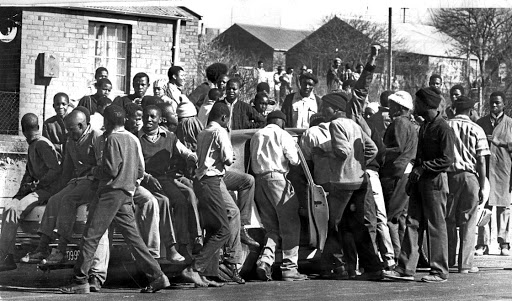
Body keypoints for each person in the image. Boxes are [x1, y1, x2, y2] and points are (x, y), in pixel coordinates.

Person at [59, 105, 170, 294]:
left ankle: (80, 281)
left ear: (108, 122)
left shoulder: (112, 139)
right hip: (127, 193)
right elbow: (140, 171)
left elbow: (110, 170)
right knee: (134, 239)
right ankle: (158, 276)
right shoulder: (133, 139)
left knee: (90, 236)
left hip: (110, 194)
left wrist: (95, 170)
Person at [384, 87, 455, 283]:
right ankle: (405, 268)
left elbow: (448, 159)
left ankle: (439, 270)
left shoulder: (442, 128)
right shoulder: (425, 126)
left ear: (426, 104)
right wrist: (415, 173)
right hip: (420, 180)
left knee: (435, 225)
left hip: (435, 182)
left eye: (418, 103)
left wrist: (423, 168)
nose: (414, 107)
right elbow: (419, 156)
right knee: (413, 223)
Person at [319, 92, 382, 280]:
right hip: (359, 181)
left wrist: (325, 152)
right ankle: (371, 267)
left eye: (325, 107)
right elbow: (373, 148)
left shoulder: (336, 124)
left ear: (336, 108)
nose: (323, 111)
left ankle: (336, 267)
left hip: (343, 182)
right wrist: (360, 164)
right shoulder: (354, 124)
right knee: (355, 226)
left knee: (334, 224)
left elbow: (342, 150)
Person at [180, 102, 243, 287]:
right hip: (211, 182)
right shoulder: (219, 132)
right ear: (224, 118)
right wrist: (231, 157)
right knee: (223, 229)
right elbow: (227, 158)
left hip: (201, 182)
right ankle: (194, 268)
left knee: (213, 227)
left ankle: (203, 272)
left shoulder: (203, 132)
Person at [138, 105, 203, 259]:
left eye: (153, 117)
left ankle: (185, 244)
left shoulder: (169, 137)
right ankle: (170, 247)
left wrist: (192, 159)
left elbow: (186, 152)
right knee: (165, 201)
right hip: (144, 179)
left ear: (160, 119)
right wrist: (147, 177)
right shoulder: (136, 138)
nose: (148, 119)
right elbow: (136, 165)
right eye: (146, 116)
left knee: (181, 200)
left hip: (163, 179)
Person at [0, 113, 61, 272]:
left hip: (46, 191)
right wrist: (19, 195)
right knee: (9, 207)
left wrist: (37, 185)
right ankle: (5, 254)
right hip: (38, 190)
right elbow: (28, 173)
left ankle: (7, 257)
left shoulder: (41, 144)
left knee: (13, 210)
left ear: (23, 129)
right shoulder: (34, 144)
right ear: (38, 127)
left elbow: (55, 170)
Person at [251, 110, 307, 281]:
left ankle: (266, 260)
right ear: (282, 122)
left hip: (259, 181)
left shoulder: (257, 135)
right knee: (290, 225)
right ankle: (290, 268)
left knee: (272, 227)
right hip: (277, 180)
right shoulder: (283, 134)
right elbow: (294, 160)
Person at [446, 95, 489, 273]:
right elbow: (481, 160)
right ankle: (465, 264)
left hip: (448, 176)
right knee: (468, 220)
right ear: (470, 111)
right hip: (470, 177)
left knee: (448, 219)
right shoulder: (476, 129)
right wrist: (482, 183)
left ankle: (447, 260)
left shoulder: (446, 125)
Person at [380, 91, 418, 259]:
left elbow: (398, 149)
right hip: (405, 172)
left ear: (400, 107)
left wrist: (379, 151)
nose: (390, 108)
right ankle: (404, 258)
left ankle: (396, 257)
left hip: (397, 173)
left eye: (393, 105)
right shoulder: (409, 123)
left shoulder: (400, 123)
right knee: (401, 218)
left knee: (392, 218)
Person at [476, 91, 512, 256]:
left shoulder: (510, 124)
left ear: (504, 104)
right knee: (485, 206)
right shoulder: (481, 123)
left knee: (504, 207)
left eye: (498, 103)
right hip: (485, 170)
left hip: (504, 169)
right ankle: (482, 244)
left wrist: (500, 142)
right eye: (492, 103)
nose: (494, 106)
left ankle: (504, 243)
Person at [43, 92, 70, 157]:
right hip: (55, 157)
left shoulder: (73, 120)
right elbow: (46, 145)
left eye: (63, 104)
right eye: (57, 104)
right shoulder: (48, 124)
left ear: (68, 105)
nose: (60, 107)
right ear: (53, 106)